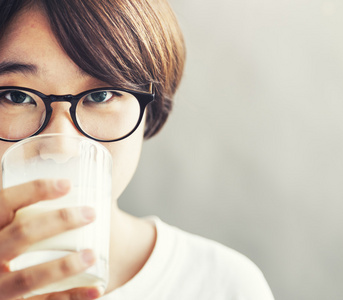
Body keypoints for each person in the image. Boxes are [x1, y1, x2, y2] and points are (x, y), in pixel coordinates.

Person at [0, 0, 275, 299]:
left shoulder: (221, 284)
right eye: (16, 96)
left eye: (101, 95)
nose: (62, 147)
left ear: (150, 111)